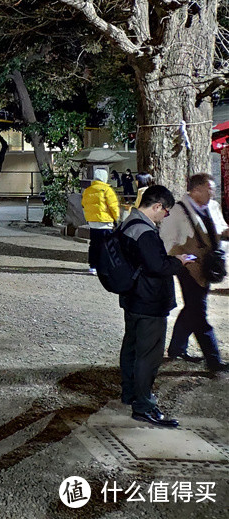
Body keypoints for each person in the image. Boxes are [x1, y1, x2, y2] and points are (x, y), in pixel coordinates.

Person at [117, 185, 192, 427]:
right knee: (148, 356)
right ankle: (144, 406)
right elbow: (157, 266)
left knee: (131, 348)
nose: (165, 216)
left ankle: (130, 394)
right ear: (157, 206)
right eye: (166, 211)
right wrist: (179, 261)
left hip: (133, 298)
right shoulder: (145, 232)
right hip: (149, 302)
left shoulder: (128, 224)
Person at [160, 173, 229, 373]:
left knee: (192, 306)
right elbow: (168, 243)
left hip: (209, 266)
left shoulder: (212, 207)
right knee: (199, 312)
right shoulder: (177, 213)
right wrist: (187, 261)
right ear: (196, 190)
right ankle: (213, 360)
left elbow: (221, 228)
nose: (213, 193)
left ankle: (176, 349)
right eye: (210, 189)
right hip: (189, 269)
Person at [81, 169, 120, 274]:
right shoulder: (107, 190)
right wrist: (117, 219)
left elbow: (84, 204)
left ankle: (92, 266)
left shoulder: (88, 190)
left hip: (92, 221)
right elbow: (113, 206)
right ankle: (103, 266)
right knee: (105, 245)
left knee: (93, 244)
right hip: (105, 222)